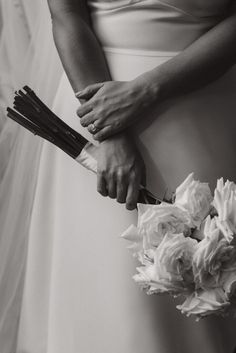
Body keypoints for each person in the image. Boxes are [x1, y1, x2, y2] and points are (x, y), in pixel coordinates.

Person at [1, 0, 236, 352]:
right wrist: (108, 135)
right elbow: (66, 15)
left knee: (204, 280)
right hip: (94, 102)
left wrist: (148, 89)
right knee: (108, 289)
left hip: (202, 106)